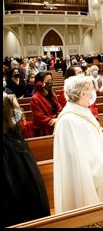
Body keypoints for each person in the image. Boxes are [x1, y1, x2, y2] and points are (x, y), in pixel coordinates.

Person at [53, 75, 103, 213]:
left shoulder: (82, 110)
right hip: (86, 182)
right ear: (83, 93)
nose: (94, 92)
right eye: (92, 89)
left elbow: (98, 138)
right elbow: (81, 159)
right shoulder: (68, 120)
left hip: (101, 172)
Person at [2, 94, 50, 227]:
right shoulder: (6, 144)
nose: (20, 111)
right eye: (16, 108)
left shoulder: (15, 134)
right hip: (17, 201)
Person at [30, 71, 62, 136]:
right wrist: (52, 121)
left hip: (56, 123)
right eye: (48, 81)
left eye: (51, 80)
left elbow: (59, 107)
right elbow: (39, 117)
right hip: (43, 129)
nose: (50, 83)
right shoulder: (35, 98)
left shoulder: (53, 94)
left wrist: (58, 118)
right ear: (40, 83)